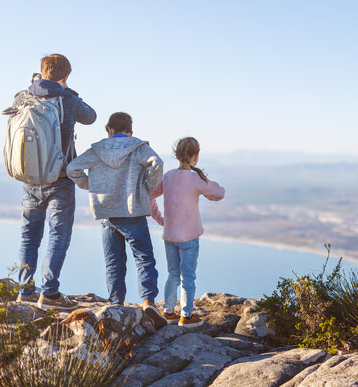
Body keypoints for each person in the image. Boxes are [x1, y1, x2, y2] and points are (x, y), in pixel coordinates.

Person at [67, 112, 167, 327]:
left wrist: (91, 185)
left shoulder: (96, 150)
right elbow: (157, 163)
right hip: (133, 212)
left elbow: (72, 168)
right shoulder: (138, 147)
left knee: (114, 262)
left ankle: (116, 304)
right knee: (144, 258)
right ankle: (148, 301)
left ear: (109, 129)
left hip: (107, 213)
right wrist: (145, 188)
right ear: (130, 132)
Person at [17, 54, 96, 310]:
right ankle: (49, 294)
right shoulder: (68, 99)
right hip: (60, 178)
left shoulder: (23, 97)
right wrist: (68, 91)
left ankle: (25, 290)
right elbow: (91, 116)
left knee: (29, 235)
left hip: (31, 179)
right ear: (65, 76)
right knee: (58, 235)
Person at [149, 137, 225, 328]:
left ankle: (167, 312)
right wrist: (205, 186)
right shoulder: (195, 179)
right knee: (188, 277)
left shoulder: (167, 176)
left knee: (172, 274)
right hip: (189, 238)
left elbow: (150, 197)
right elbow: (219, 192)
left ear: (177, 155)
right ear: (195, 156)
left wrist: (161, 220)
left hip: (169, 235)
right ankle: (186, 316)